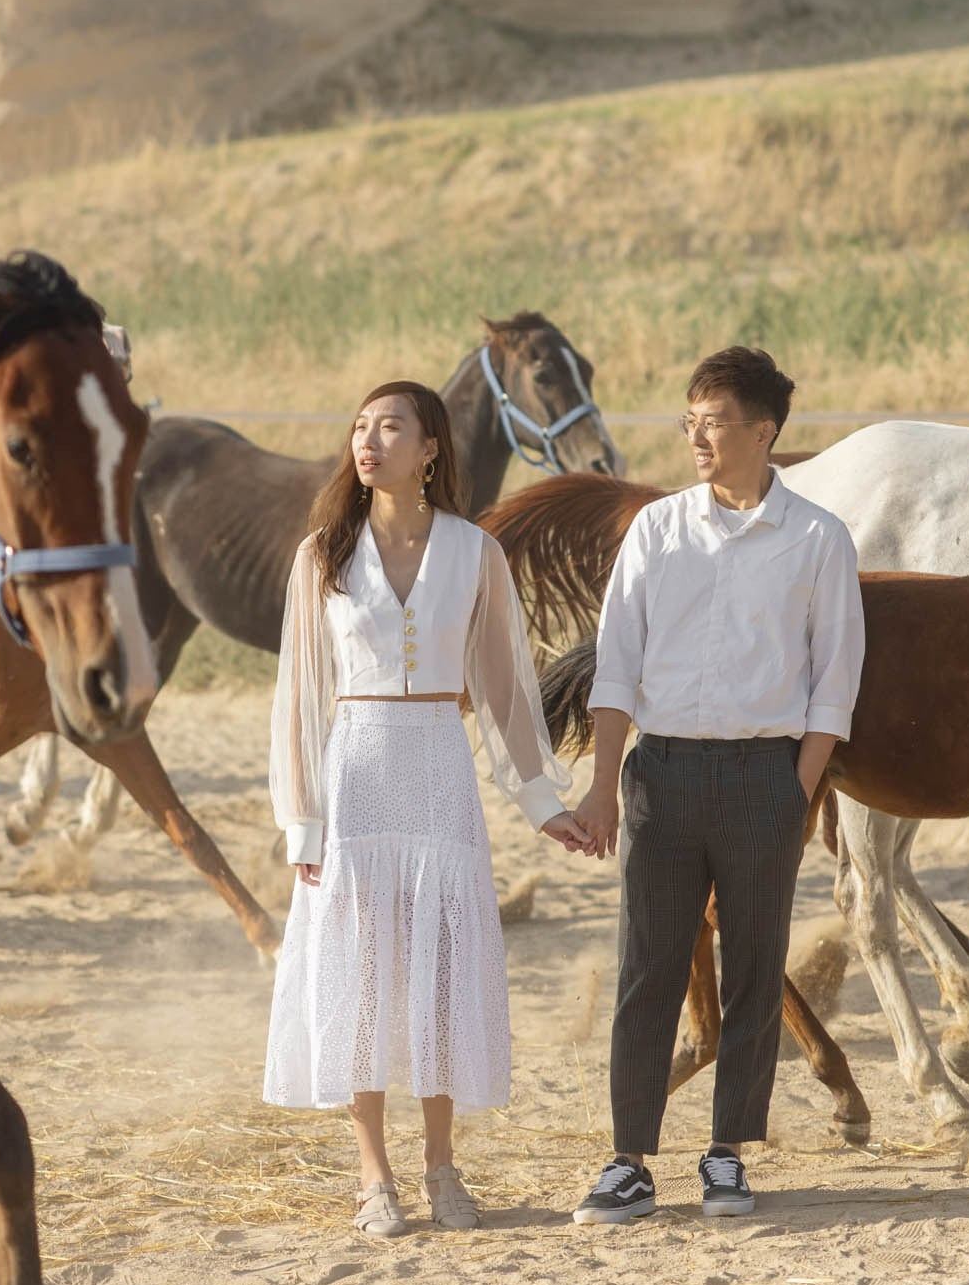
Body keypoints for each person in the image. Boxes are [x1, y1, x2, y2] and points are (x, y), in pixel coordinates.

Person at [263, 379, 596, 1237]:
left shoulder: (472, 552)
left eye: (390, 427)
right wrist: (300, 819)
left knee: (442, 969)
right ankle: (373, 1174)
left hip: (440, 774)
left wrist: (539, 801)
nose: (368, 442)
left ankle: (441, 1165)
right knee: (362, 971)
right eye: (360, 428)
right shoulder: (321, 556)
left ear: (430, 448)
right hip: (356, 776)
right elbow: (300, 693)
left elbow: (503, 688)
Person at [568, 345, 864, 1224]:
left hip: (764, 780)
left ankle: (727, 1154)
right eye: (689, 421)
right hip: (659, 774)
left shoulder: (817, 538)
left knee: (752, 975)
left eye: (715, 422)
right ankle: (627, 1161)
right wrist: (601, 787)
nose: (697, 436)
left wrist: (793, 791)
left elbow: (834, 683)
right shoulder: (656, 530)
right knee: (646, 971)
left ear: (763, 432)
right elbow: (615, 666)